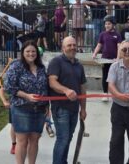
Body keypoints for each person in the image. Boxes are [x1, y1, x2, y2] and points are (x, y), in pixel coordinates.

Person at [3, 40, 48, 164]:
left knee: (35, 140)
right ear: (22, 52)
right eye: (27, 51)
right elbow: (8, 86)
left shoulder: (41, 68)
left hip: (39, 110)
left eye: (33, 51)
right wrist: (26, 96)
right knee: (22, 141)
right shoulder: (16, 66)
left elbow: (45, 88)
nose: (31, 54)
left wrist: (47, 106)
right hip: (22, 108)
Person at [47, 36, 87, 164]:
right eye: (69, 45)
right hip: (60, 108)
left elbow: (82, 88)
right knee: (63, 139)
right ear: (63, 47)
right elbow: (52, 82)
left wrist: (84, 109)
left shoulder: (79, 65)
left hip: (74, 109)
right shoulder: (56, 62)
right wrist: (66, 90)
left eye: (74, 45)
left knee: (68, 138)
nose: (72, 47)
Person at [93, 15, 122, 101]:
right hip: (105, 59)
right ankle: (105, 94)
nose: (107, 26)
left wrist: (118, 58)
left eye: (109, 24)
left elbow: (119, 47)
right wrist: (95, 53)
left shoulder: (117, 35)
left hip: (114, 60)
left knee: (115, 77)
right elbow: (99, 45)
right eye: (106, 24)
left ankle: (116, 94)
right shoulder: (102, 34)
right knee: (105, 76)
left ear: (113, 25)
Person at [0, 86, 17, 154]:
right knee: (14, 125)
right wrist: (4, 101)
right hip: (15, 106)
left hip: (30, 106)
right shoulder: (14, 75)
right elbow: (1, 90)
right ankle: (14, 145)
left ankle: (25, 145)